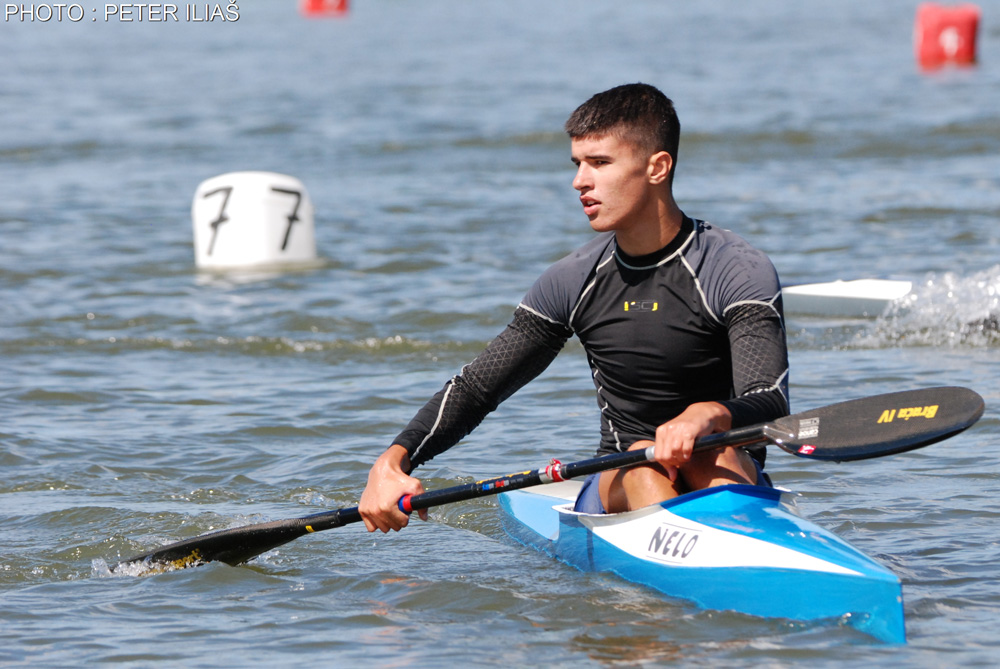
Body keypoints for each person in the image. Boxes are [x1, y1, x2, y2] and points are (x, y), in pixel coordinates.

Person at [359, 83, 789, 533]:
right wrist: (393, 459)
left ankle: (732, 548)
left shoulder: (735, 268)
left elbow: (768, 399)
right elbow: (478, 389)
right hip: (622, 478)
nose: (579, 180)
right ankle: (676, 582)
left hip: (728, 465)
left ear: (657, 167)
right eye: (577, 164)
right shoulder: (574, 278)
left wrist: (708, 413)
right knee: (645, 467)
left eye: (600, 163)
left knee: (710, 451)